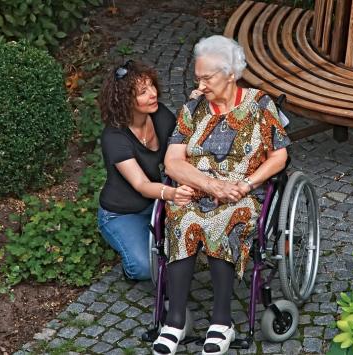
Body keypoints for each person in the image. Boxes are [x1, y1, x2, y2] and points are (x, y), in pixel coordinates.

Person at [151, 35, 290, 355]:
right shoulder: (192, 107)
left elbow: (279, 156)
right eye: (197, 77)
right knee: (181, 220)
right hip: (197, 186)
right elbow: (172, 160)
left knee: (223, 222)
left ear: (230, 73)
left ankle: (222, 321)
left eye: (206, 77)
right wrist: (208, 185)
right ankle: (174, 322)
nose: (200, 84)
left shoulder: (260, 104)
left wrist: (247, 184)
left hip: (241, 191)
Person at [98, 60, 194, 281]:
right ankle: (129, 258)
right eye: (143, 92)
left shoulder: (160, 115)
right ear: (125, 100)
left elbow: (183, 145)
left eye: (151, 85)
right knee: (143, 267)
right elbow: (141, 185)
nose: (153, 94)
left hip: (156, 203)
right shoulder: (114, 138)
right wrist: (172, 194)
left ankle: (152, 235)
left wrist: (194, 105)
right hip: (122, 213)